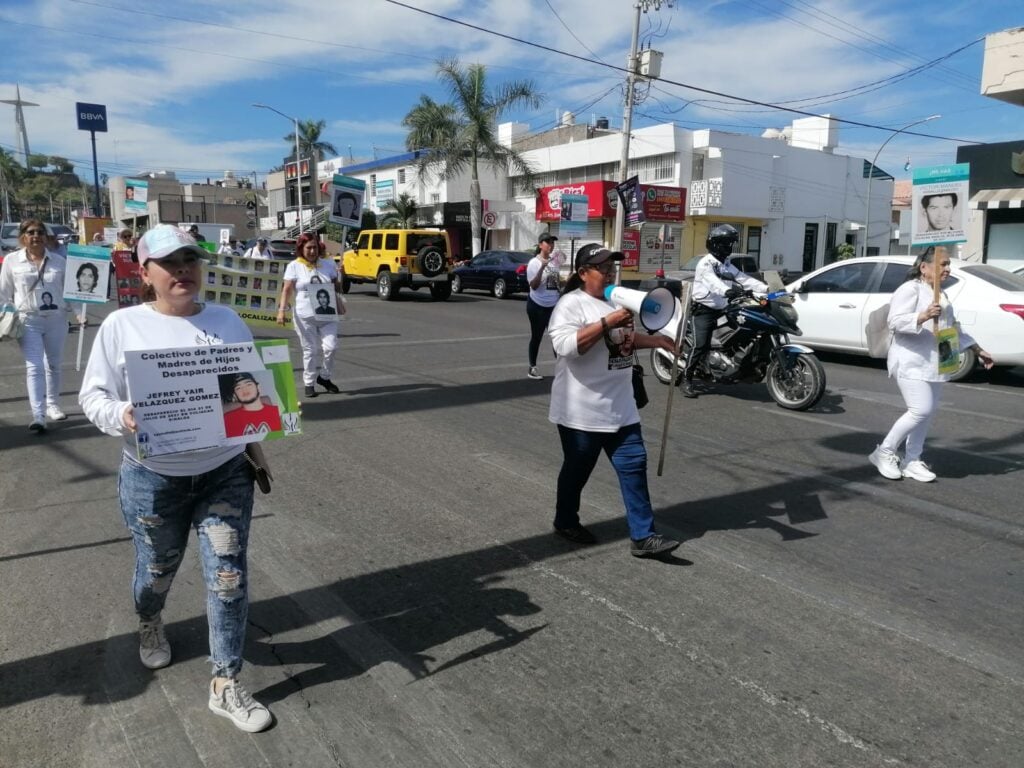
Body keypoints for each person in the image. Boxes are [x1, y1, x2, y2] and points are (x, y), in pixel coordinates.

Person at [78, 224, 273, 732]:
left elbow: (246, 394)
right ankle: (149, 620)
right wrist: (122, 414)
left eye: (191, 259)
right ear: (145, 273)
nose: (184, 269)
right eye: (170, 262)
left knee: (227, 578)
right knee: (156, 573)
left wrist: (256, 444)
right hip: (153, 480)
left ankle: (225, 682)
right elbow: (92, 397)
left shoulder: (228, 321)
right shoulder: (122, 327)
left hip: (224, 473)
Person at [546, 243, 681, 558]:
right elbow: (566, 347)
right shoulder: (571, 304)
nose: (610, 272)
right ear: (583, 273)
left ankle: (643, 536)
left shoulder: (616, 301)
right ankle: (565, 520)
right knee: (577, 470)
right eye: (602, 267)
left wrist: (656, 341)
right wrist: (608, 322)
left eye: (612, 267)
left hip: (621, 407)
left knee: (634, 465)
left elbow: (622, 340)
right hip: (581, 410)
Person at [869, 247, 994, 483]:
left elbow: (952, 327)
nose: (947, 269)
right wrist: (922, 316)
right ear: (924, 267)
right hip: (911, 360)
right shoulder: (910, 289)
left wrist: (977, 349)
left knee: (927, 413)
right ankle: (884, 452)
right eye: (942, 264)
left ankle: (912, 459)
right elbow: (894, 321)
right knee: (920, 410)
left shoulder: (941, 293)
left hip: (936, 360)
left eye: (948, 265)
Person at [680, 224, 768, 398]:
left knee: (744, 329)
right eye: (726, 243)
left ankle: (734, 364)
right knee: (700, 345)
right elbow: (713, 282)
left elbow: (741, 277)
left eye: (730, 243)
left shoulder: (725, 262)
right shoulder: (705, 264)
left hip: (724, 308)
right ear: (715, 244)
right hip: (704, 311)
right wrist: (727, 291)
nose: (729, 247)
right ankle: (686, 378)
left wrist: (765, 288)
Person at [0, 219, 69, 431]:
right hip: (28, 320)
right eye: (31, 232)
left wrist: (78, 313)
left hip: (56, 319)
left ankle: (53, 405)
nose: (36, 236)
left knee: (54, 365)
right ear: (23, 237)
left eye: (40, 232)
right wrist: (9, 313)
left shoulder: (59, 261)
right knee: (35, 367)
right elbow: (3, 294)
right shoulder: (12, 261)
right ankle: (38, 415)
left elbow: (70, 291)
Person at [276, 233, 346, 398]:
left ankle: (324, 377)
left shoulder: (328, 264)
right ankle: (309, 383)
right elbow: (286, 289)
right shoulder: (294, 266)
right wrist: (281, 310)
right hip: (304, 315)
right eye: (308, 248)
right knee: (310, 350)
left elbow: (337, 287)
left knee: (331, 347)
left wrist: (342, 274)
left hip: (327, 313)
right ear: (301, 249)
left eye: (315, 247)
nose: (312, 251)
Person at [525, 233, 563, 380]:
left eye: (552, 242)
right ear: (540, 245)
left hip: (553, 306)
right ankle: (532, 368)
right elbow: (533, 286)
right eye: (548, 242)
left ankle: (562, 368)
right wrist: (542, 268)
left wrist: (567, 281)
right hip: (537, 305)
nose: (551, 245)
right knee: (537, 337)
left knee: (556, 337)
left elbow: (555, 284)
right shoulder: (533, 263)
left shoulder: (555, 262)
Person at [222, 372, 282, 438]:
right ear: (235, 395)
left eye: (248, 384)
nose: (244, 389)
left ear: (258, 387)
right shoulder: (228, 419)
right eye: (238, 388)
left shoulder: (278, 412)